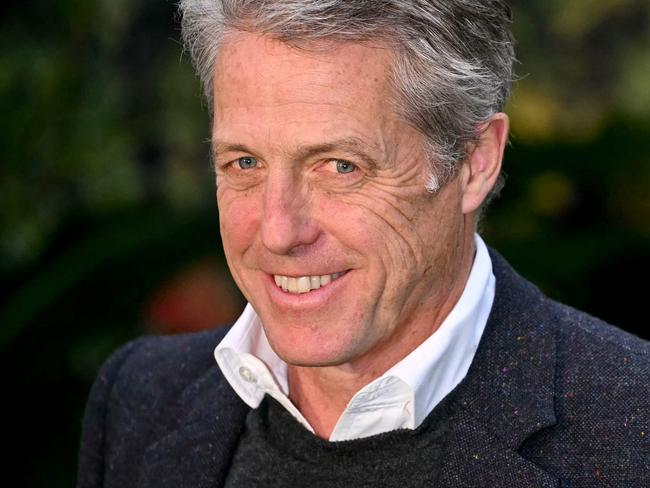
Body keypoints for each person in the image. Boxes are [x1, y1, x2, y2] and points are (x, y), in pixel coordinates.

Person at [77, 1, 649, 487]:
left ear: (475, 163)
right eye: (244, 163)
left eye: (339, 166)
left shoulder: (631, 424)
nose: (278, 230)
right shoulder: (140, 400)